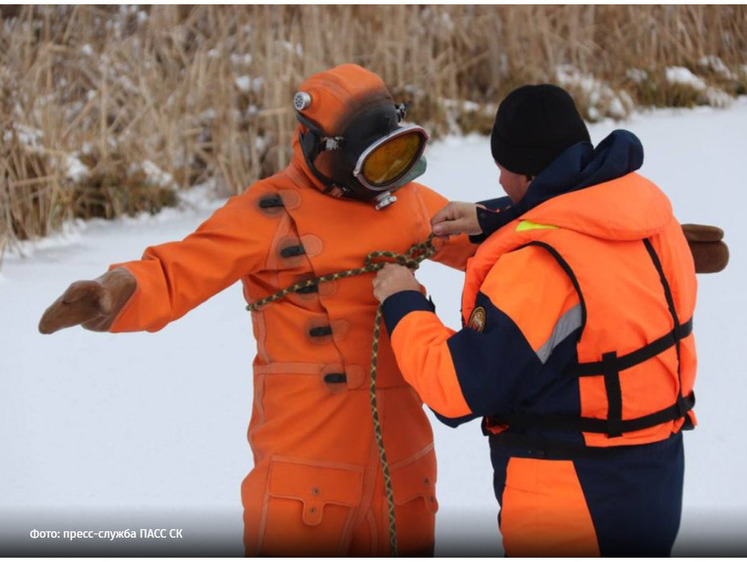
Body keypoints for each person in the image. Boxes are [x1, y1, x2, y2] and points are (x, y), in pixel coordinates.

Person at [38, 64, 477, 556]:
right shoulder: (270, 212)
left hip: (404, 477)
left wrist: (547, 228)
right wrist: (119, 289)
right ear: (318, 146)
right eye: (367, 162)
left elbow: (496, 252)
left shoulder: (411, 203)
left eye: (392, 158)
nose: (381, 178)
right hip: (307, 477)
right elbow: (182, 267)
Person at [373, 84, 728, 556]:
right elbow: (583, 225)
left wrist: (403, 302)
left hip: (573, 502)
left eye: (502, 168)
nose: (498, 181)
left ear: (524, 171)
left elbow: (455, 390)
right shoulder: (648, 210)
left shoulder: (541, 271)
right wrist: (495, 217)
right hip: (654, 481)